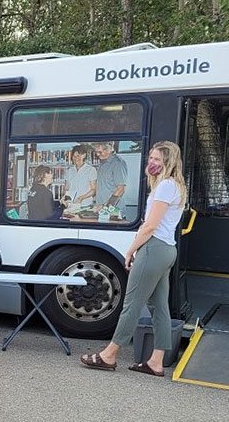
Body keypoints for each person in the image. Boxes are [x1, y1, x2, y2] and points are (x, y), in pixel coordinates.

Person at [81, 141, 187, 377]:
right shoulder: (175, 185)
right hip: (167, 249)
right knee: (159, 306)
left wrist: (130, 250)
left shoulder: (165, 187)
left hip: (154, 248)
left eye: (158, 159)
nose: (152, 162)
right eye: (151, 157)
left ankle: (109, 355)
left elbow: (150, 226)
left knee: (132, 303)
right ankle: (156, 362)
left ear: (169, 161)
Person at [94, 142, 128, 213]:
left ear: (109, 149)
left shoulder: (117, 163)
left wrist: (106, 206)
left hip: (113, 211)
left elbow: (121, 189)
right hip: (101, 209)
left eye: (100, 152)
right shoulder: (103, 162)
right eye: (96, 152)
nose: (97, 154)